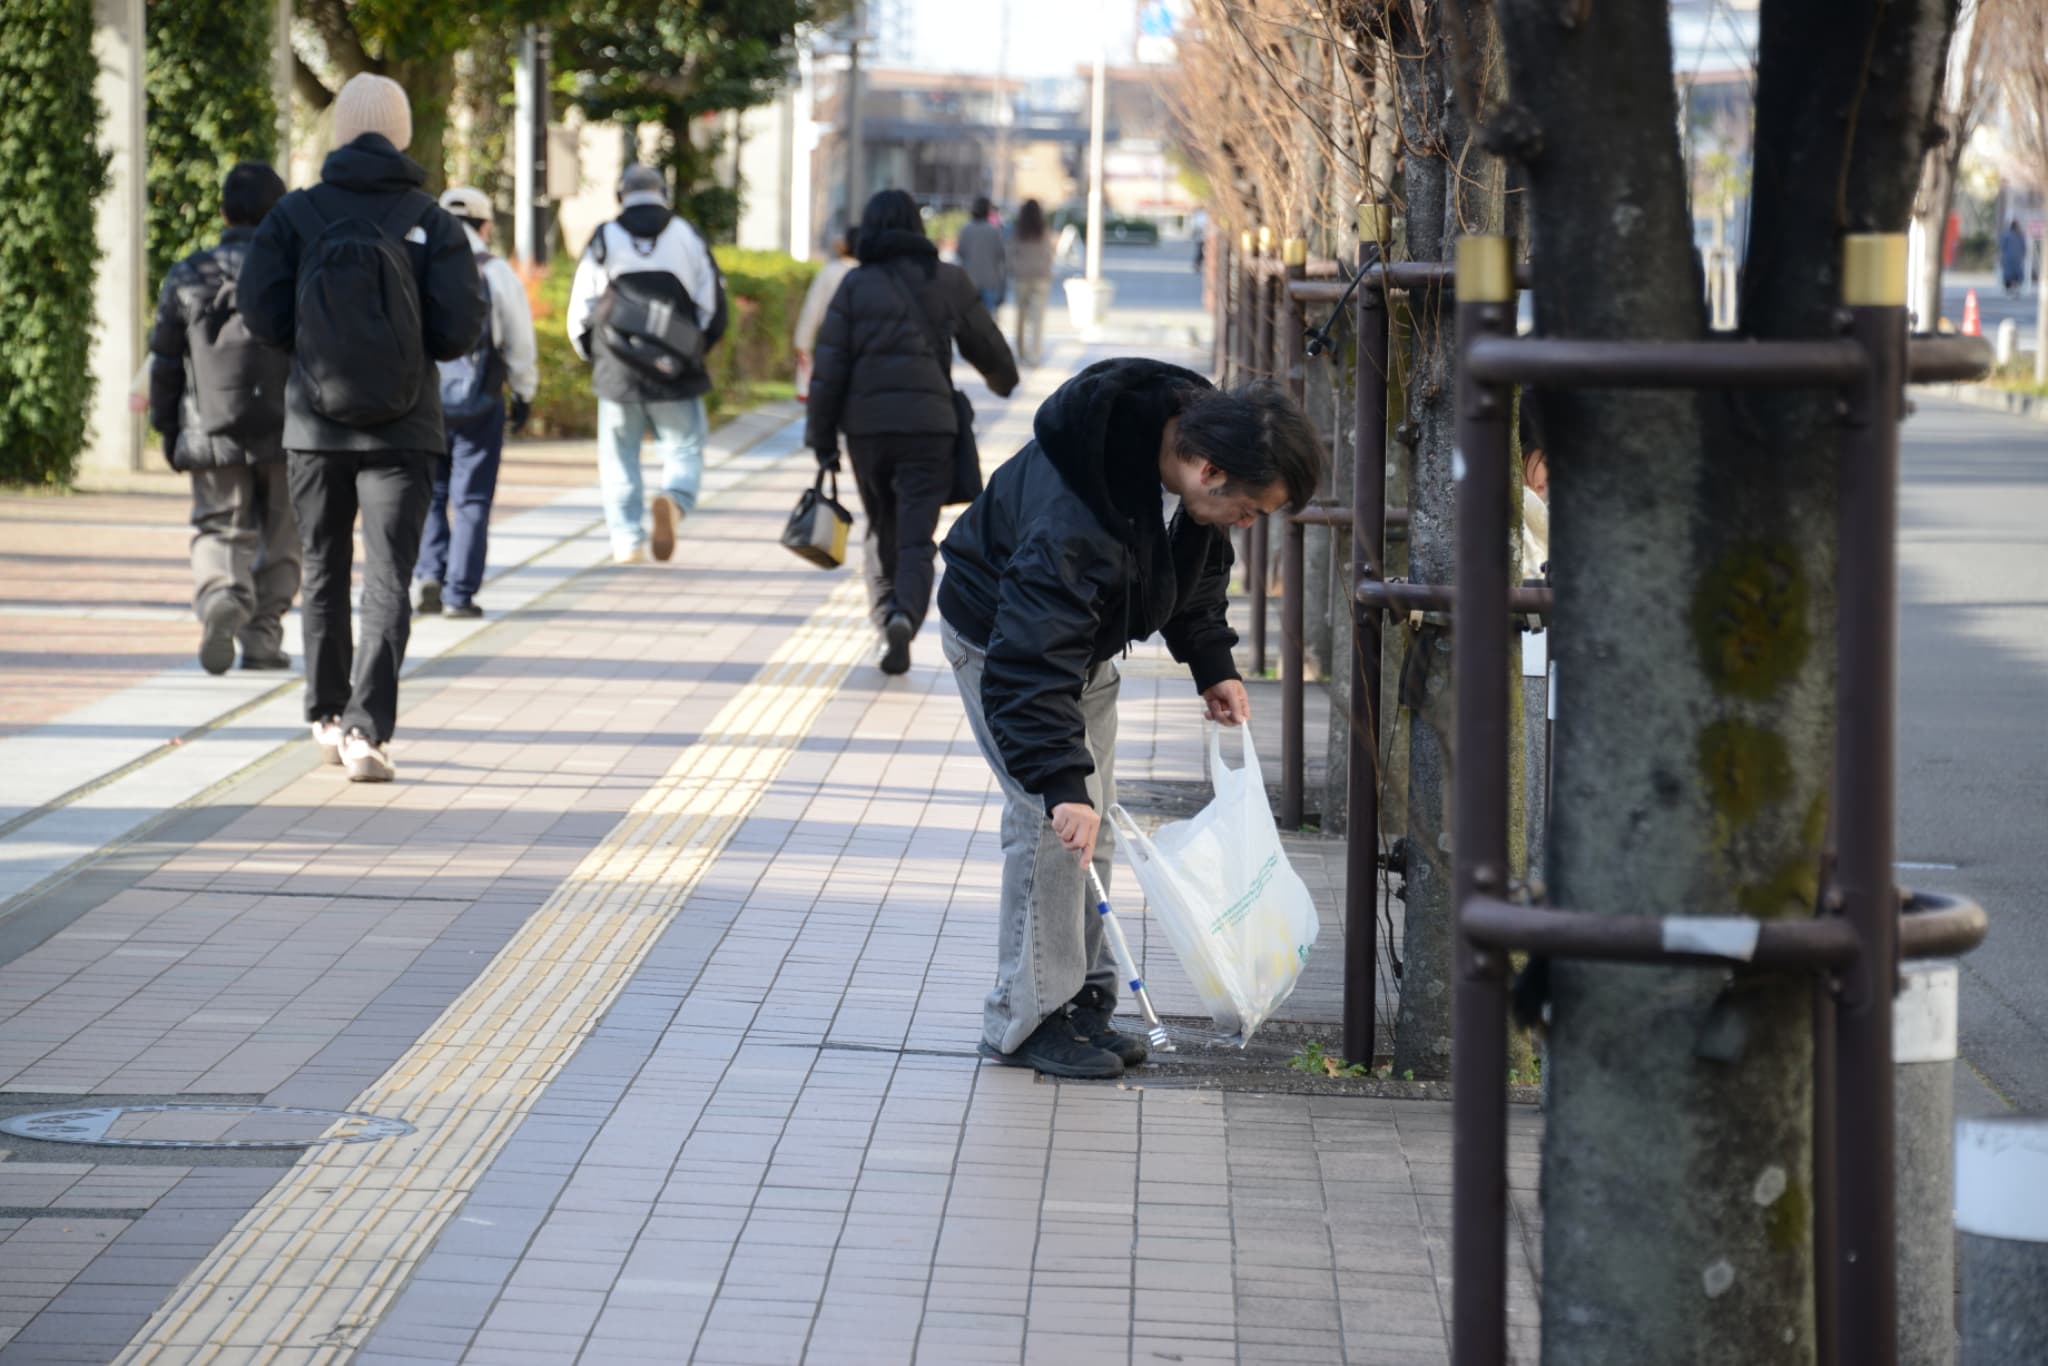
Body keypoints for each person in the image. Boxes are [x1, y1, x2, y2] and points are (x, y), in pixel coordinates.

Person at [937, 361, 1326, 1078]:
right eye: (1249, 510)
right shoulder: (1076, 510)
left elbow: (1198, 562)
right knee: (1051, 824)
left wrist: (1212, 660)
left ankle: (1081, 1000)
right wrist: (1059, 780)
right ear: (1209, 470)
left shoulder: (1187, 454)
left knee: (1096, 826)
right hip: (1001, 642)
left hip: (1076, 649)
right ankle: (1024, 1023)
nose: (1247, 524)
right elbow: (1029, 660)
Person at [238, 72, 488, 783]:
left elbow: (260, 314)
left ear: (341, 132)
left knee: (322, 567)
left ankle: (322, 712)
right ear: (402, 134)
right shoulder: (433, 221)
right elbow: (457, 332)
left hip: (314, 425)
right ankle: (366, 731)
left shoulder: (294, 215)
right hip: (405, 428)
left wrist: (317, 349)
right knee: (389, 577)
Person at [805, 189, 1019, 675]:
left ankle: (887, 618)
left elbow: (829, 368)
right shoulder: (947, 279)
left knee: (882, 524)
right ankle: (905, 613)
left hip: (867, 431)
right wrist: (1003, 381)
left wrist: (821, 439)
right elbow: (987, 345)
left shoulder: (855, 286)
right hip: (930, 428)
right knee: (917, 534)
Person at [148, 161, 298, 676]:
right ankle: (263, 638)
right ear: (280, 210)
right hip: (287, 428)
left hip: (210, 426)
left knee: (219, 525)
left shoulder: (189, 273)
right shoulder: (294, 268)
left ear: (223, 211)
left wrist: (168, 429)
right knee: (283, 533)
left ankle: (220, 599)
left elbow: (165, 361)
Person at [566, 165, 728, 564]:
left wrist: (598, 357)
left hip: (618, 371)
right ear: (663, 193)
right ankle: (674, 500)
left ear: (621, 195)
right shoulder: (686, 235)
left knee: (619, 456)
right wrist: (694, 349)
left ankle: (626, 541)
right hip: (675, 369)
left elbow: (581, 310)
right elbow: (713, 304)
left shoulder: (605, 237)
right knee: (685, 446)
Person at [414, 185, 539, 620]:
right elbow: (519, 341)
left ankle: (429, 572)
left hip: (421, 399)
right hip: (479, 399)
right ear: (485, 225)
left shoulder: (415, 262)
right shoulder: (494, 270)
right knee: (472, 500)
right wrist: (524, 394)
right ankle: (459, 594)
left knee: (428, 494)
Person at [793, 231, 858, 401]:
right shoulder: (871, 273)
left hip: (832, 342)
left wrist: (802, 342)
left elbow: (812, 309)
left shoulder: (829, 271)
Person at [1009, 199, 1054, 368]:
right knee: (1037, 319)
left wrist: (1014, 268)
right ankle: (1034, 355)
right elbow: (1049, 252)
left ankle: (1020, 353)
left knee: (1020, 317)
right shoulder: (1043, 229)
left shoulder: (1018, 230)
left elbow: (1011, 252)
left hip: (1021, 277)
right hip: (1041, 277)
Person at [955, 195, 1008, 315]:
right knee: (988, 322)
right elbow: (1001, 257)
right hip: (990, 281)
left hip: (970, 281)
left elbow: (960, 253)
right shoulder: (994, 231)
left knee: (970, 320)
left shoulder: (965, 230)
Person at [2000, 219, 2027, 298]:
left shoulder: (2007, 235)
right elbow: (2024, 247)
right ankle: (2014, 289)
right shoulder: (2019, 235)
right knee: (2016, 274)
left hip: (2009, 258)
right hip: (2015, 258)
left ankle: (2011, 290)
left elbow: (2002, 246)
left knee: (2010, 274)